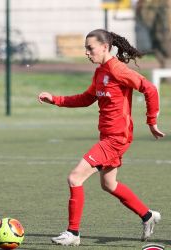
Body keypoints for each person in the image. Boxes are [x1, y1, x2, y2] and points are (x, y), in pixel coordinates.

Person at [37, 29, 165, 246]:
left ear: (105, 47)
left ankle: (73, 233)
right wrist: (55, 99)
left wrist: (151, 121)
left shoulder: (117, 70)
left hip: (116, 138)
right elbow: (86, 98)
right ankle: (147, 215)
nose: (87, 52)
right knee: (109, 184)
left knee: (75, 177)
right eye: (85, 48)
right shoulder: (100, 72)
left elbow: (150, 89)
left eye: (90, 48)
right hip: (108, 136)